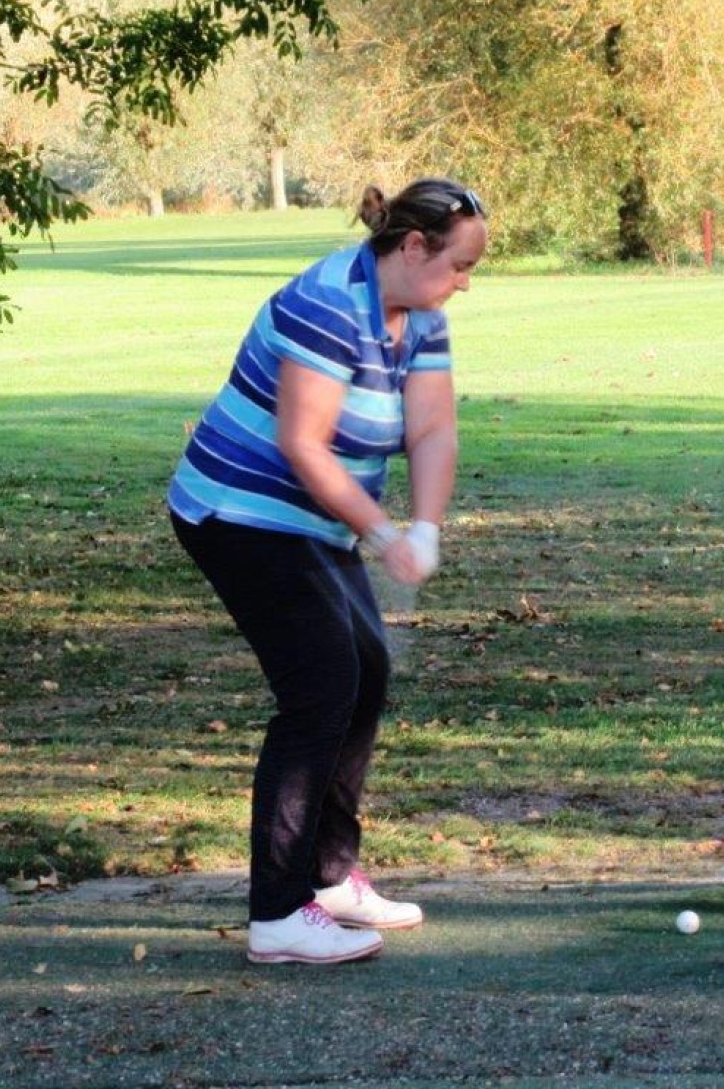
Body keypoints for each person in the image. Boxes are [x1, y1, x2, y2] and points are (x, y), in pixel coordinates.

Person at [168, 178, 487, 965]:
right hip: (236, 512)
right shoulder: (327, 305)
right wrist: (380, 532)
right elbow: (303, 444)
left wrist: (426, 526)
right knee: (321, 686)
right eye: (459, 265)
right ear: (412, 247)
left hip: (312, 521)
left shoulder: (421, 315)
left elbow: (434, 428)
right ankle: (278, 913)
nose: (465, 282)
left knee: (365, 672)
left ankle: (330, 874)